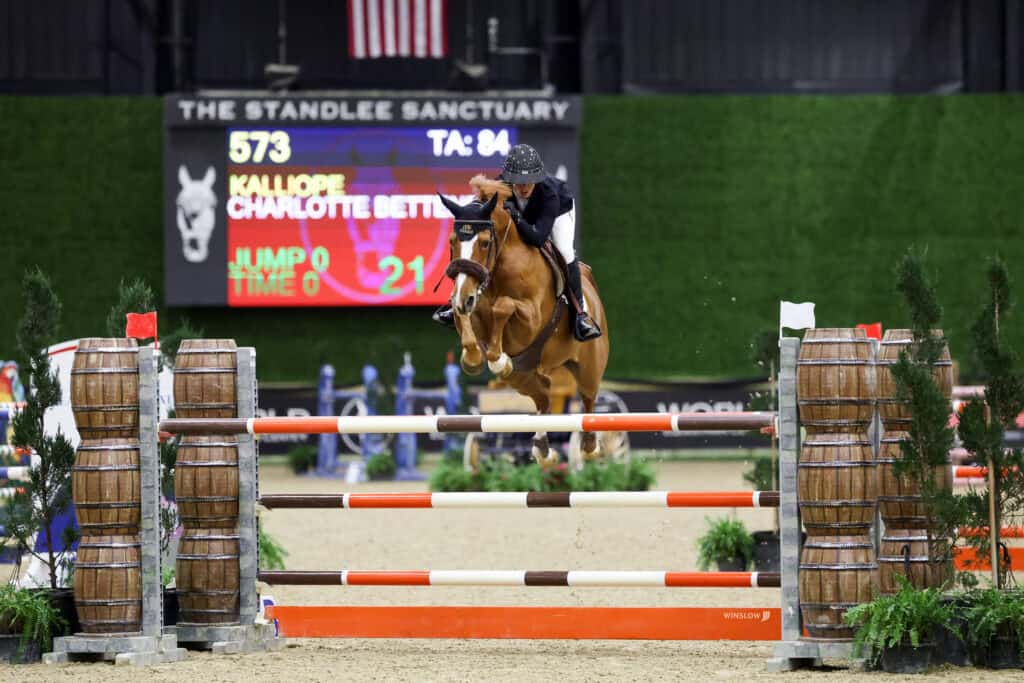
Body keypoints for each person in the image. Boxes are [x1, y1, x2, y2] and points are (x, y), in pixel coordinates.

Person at [433, 144, 602, 342]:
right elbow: (478, 207)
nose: (523, 187)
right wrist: (468, 213)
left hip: (558, 214)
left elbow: (538, 238)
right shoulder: (501, 185)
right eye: (518, 182)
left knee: (565, 251)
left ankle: (580, 314)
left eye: (528, 182)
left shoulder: (550, 194)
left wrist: (516, 216)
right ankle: (454, 303)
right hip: (524, 218)